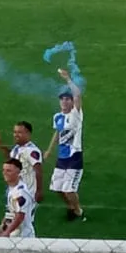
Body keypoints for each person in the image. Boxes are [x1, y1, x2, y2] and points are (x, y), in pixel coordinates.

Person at [44, 69, 86, 221]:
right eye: (62, 99)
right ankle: (71, 207)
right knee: (56, 188)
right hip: (61, 157)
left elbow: (78, 95)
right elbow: (57, 133)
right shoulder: (58, 117)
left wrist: (68, 79)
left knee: (69, 190)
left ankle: (78, 211)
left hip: (74, 157)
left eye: (67, 99)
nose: (64, 101)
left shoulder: (76, 114)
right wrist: (49, 150)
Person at [0, 122, 43, 203]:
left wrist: (39, 191)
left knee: (19, 215)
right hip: (16, 190)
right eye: (15, 132)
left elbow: (38, 171)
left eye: (19, 132)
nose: (16, 135)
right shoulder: (17, 148)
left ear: (28, 133)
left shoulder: (31, 151)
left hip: (26, 193)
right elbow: (10, 159)